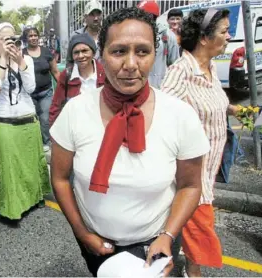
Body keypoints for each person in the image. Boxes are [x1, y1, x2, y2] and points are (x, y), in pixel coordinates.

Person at [50, 7, 211, 277]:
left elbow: (191, 185)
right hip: (95, 243)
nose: (131, 64)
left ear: (155, 54)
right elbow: (60, 179)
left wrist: (168, 236)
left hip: (155, 242)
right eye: (119, 51)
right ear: (101, 55)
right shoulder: (75, 112)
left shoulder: (180, 115)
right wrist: (81, 232)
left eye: (142, 51)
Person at [160, 8, 239, 277]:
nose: (229, 37)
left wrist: (233, 110)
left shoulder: (211, 68)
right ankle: (192, 272)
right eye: (224, 31)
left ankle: (185, 263)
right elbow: (160, 117)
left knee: (193, 227)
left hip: (209, 168)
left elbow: (212, 102)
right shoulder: (180, 72)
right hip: (189, 172)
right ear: (204, 38)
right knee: (201, 229)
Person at [0, 22, 51, 221]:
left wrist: (20, 62)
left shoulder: (26, 58)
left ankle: (33, 199)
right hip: (6, 122)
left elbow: (30, 88)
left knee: (31, 165)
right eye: (5, 39)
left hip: (29, 119)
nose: (10, 43)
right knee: (11, 169)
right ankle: (12, 210)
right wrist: (4, 60)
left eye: (12, 38)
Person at [49, 33, 105, 127]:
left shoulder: (105, 74)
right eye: (76, 52)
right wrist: (54, 132)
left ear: (93, 52)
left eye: (84, 51)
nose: (80, 55)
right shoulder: (67, 76)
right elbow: (56, 106)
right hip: (75, 129)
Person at [23, 26, 60, 151]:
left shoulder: (46, 52)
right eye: (30, 35)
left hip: (46, 92)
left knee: (45, 118)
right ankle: (33, 144)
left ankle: (47, 142)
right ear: (26, 38)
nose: (33, 38)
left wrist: (64, 87)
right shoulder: (21, 54)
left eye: (35, 35)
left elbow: (55, 71)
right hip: (29, 94)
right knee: (32, 119)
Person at [137, 0, 180, 89]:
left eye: (144, 16)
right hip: (137, 87)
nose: (141, 19)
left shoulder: (167, 35)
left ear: (153, 16)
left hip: (159, 88)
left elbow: (175, 65)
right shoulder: (134, 34)